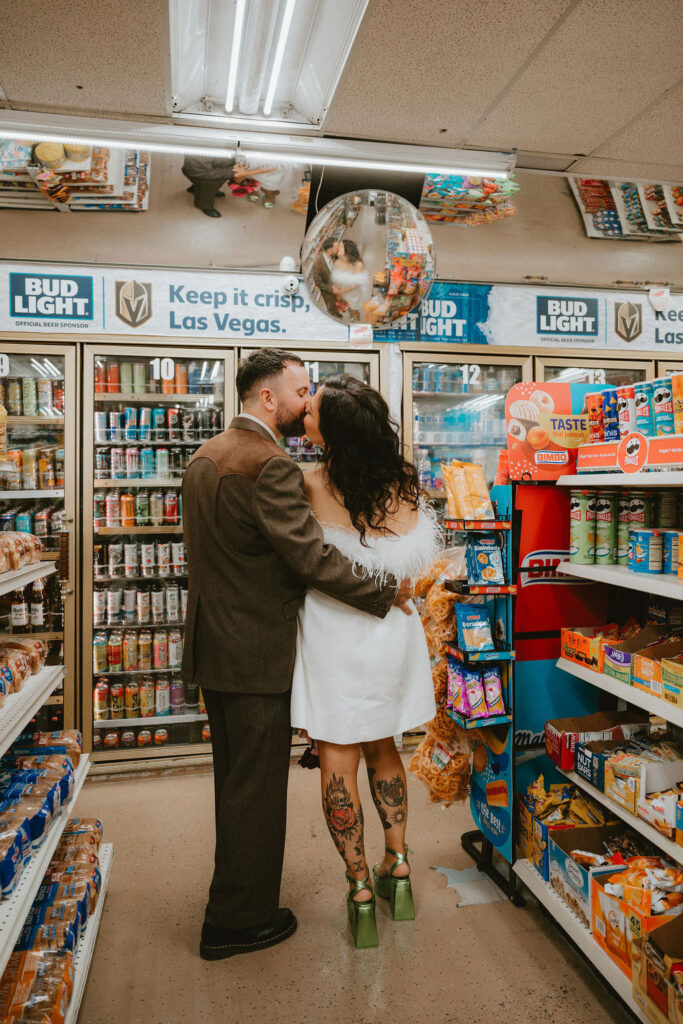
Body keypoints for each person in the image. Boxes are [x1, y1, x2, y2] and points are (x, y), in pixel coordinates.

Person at [181, 349, 412, 962]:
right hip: (257, 650)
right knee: (256, 791)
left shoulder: (205, 457)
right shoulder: (270, 465)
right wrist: (386, 592)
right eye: (301, 390)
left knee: (234, 785)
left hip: (213, 646)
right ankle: (238, 920)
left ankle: (232, 901)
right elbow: (312, 558)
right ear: (267, 398)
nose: (308, 401)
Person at [291, 374, 439, 948]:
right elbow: (409, 573)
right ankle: (396, 865)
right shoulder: (403, 481)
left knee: (337, 754)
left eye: (313, 412)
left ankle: (357, 886)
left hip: (333, 635)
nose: (305, 415)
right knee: (384, 748)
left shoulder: (309, 483)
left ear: (332, 432)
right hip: (390, 633)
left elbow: (306, 559)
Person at [181, 156, 252, 218]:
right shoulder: (198, 153)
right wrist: (233, 172)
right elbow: (204, 173)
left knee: (228, 167)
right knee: (209, 184)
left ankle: (197, 188)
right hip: (200, 173)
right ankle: (204, 205)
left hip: (205, 165)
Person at [330, 240, 372, 321]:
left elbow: (355, 286)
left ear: (348, 250)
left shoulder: (358, 265)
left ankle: (355, 315)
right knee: (347, 307)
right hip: (342, 292)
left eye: (340, 247)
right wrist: (336, 290)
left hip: (353, 294)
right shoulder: (337, 263)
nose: (337, 248)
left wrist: (340, 292)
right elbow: (336, 279)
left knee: (353, 307)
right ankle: (354, 313)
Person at [311, 238, 342, 317]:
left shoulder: (334, 257)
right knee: (331, 306)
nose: (338, 249)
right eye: (336, 248)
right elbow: (318, 282)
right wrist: (331, 288)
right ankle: (332, 315)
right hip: (327, 292)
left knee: (336, 303)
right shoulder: (317, 263)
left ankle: (336, 311)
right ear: (329, 250)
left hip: (337, 287)